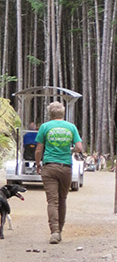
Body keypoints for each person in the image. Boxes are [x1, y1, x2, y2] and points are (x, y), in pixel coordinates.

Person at [34, 101, 83, 244]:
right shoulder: (71, 127)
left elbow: (38, 150)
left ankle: (54, 231)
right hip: (66, 167)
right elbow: (79, 147)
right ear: (63, 113)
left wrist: (38, 164)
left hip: (49, 166)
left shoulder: (45, 127)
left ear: (50, 114)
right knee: (62, 199)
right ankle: (60, 230)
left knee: (52, 201)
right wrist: (70, 150)